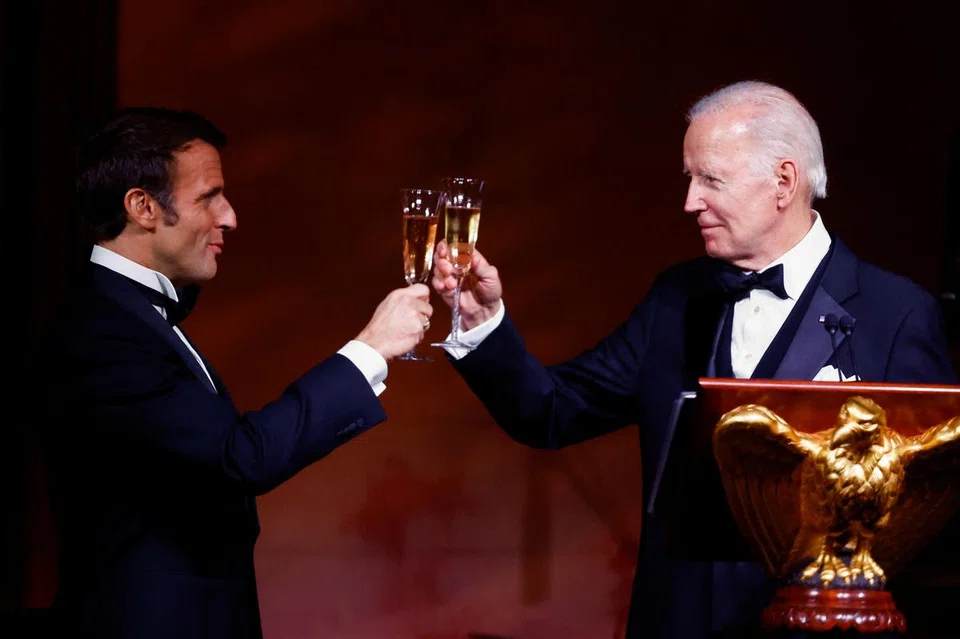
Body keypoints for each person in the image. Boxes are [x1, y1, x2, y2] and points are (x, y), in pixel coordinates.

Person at [431, 81, 958, 638]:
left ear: (783, 181)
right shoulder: (675, 301)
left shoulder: (895, 315)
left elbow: (937, 515)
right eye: (690, 178)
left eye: (711, 179)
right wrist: (482, 321)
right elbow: (549, 411)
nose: (690, 202)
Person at [37, 106, 433, 639]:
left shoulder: (130, 318)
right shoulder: (102, 330)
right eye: (208, 197)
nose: (230, 217)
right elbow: (240, 456)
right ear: (142, 206)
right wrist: (369, 350)